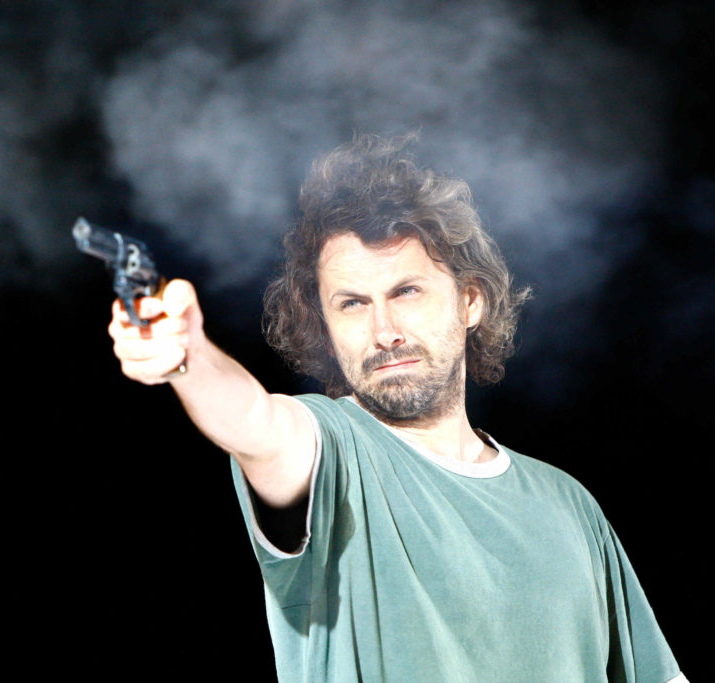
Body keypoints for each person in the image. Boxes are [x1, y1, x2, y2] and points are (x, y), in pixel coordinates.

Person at [107, 135, 685, 682]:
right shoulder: (332, 454)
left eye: (406, 292)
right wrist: (187, 356)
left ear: (470, 301)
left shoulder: (569, 504)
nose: (384, 331)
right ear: (325, 326)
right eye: (352, 304)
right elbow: (257, 424)